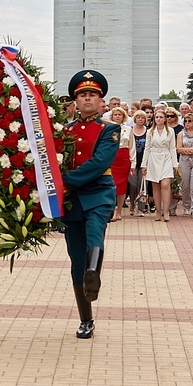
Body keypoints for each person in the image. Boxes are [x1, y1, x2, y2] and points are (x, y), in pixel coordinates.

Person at [62, 70, 120, 339]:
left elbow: (99, 163)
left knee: (95, 232)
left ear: (101, 101)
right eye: (83, 94)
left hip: (97, 193)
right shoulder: (66, 131)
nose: (87, 98)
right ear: (76, 100)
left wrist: (66, 181)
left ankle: (93, 274)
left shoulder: (110, 129)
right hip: (72, 200)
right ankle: (86, 318)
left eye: (93, 94)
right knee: (75, 259)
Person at [143, 107, 176, 221]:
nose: (158, 119)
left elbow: (173, 148)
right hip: (153, 158)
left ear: (165, 119)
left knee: (165, 184)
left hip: (166, 157)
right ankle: (158, 211)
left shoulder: (170, 131)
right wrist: (144, 164)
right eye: (156, 117)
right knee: (155, 186)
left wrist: (175, 164)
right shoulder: (150, 131)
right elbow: (146, 148)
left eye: (161, 117)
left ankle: (166, 211)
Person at [110, 106, 134, 220]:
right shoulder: (107, 128)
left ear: (123, 116)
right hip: (111, 157)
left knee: (121, 185)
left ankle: (118, 211)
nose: (117, 116)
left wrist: (133, 163)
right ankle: (111, 210)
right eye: (115, 115)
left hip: (124, 158)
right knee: (111, 184)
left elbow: (132, 147)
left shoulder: (129, 129)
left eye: (119, 115)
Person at [130, 109, 148, 214]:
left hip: (143, 162)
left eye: (142, 118)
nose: (140, 119)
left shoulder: (148, 131)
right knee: (132, 184)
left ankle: (141, 208)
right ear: (135, 119)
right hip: (133, 161)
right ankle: (132, 204)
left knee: (142, 184)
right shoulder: (130, 130)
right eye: (138, 117)